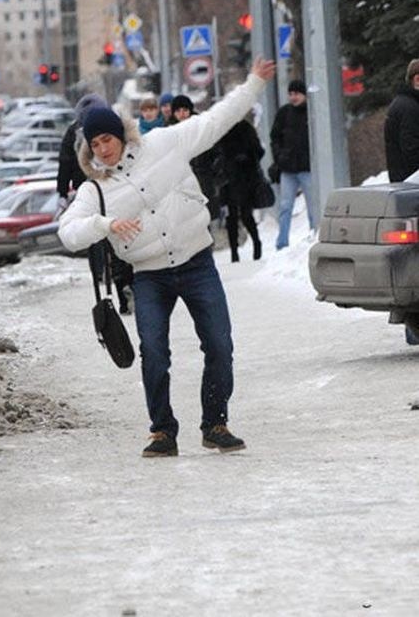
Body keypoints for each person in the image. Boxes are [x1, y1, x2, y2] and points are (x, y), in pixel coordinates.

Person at [59, 57, 276, 457]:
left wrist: (253, 85)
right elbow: (68, 232)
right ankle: (162, 431)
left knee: (219, 344)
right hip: (149, 276)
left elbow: (214, 121)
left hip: (196, 264)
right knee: (154, 351)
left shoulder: (164, 143)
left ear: (120, 134)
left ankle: (215, 424)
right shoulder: (96, 191)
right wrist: (104, 225)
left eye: (106, 139)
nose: (102, 150)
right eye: (94, 146)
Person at [57, 92, 134, 314]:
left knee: (95, 241)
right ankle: (126, 285)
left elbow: (64, 164)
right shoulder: (112, 124)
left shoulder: (72, 132)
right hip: (111, 186)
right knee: (117, 239)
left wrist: (62, 193)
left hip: (88, 190)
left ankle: (103, 278)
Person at [270, 79, 316, 250]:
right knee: (285, 206)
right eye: (290, 94)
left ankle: (315, 234)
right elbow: (274, 137)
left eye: (296, 93)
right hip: (288, 168)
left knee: (313, 206)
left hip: (307, 168)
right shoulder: (283, 114)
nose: (293, 97)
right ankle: (282, 242)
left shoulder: (311, 112)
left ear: (304, 94)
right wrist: (279, 156)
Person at [170, 94, 223, 221]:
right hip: (179, 183)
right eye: (178, 111)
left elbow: (215, 151)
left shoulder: (200, 127)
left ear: (190, 110)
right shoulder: (168, 131)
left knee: (205, 219)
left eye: (185, 110)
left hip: (203, 179)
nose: (182, 114)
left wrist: (213, 173)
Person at [217, 117, 264, 262]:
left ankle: (256, 242)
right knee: (231, 217)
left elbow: (258, 151)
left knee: (245, 214)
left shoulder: (246, 128)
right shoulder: (222, 130)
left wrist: (247, 158)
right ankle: (234, 252)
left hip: (246, 178)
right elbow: (217, 153)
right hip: (228, 179)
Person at [384, 58, 419, 182]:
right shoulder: (410, 108)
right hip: (411, 186)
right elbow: (412, 151)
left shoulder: (404, 103)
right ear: (417, 80)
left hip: (404, 187)